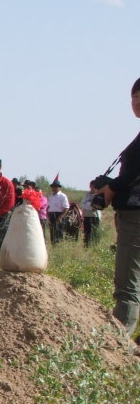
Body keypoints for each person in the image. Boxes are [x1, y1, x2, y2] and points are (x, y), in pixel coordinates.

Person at [95, 77, 140, 337]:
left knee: (127, 287)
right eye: (132, 97)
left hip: (135, 216)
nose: (134, 103)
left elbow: (134, 172)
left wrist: (112, 188)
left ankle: (118, 347)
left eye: (138, 96)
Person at [47, 179, 70, 245]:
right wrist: (48, 215)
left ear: (58, 187)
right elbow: (49, 207)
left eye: (55, 186)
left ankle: (59, 246)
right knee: (52, 232)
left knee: (59, 232)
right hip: (52, 215)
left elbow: (66, 207)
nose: (54, 188)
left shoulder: (62, 196)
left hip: (59, 214)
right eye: (53, 187)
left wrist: (61, 217)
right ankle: (53, 245)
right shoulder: (51, 197)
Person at [80, 180, 102, 247]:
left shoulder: (98, 195)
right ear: (90, 186)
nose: (93, 188)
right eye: (92, 186)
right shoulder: (86, 195)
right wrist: (90, 207)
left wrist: (88, 205)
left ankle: (94, 246)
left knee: (94, 232)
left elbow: (97, 206)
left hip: (95, 216)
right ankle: (86, 246)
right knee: (86, 232)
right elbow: (82, 204)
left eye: (94, 186)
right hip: (87, 216)